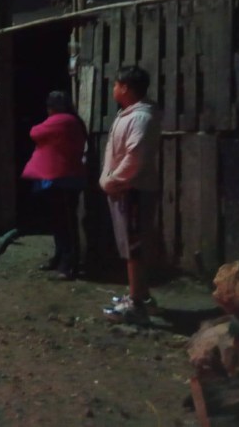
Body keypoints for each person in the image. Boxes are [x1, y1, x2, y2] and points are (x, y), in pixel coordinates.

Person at [99, 65, 162, 324]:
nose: (113, 89)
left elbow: (134, 157)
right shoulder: (128, 114)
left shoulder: (141, 118)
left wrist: (113, 181)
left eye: (115, 84)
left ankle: (136, 305)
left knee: (134, 246)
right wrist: (107, 179)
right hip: (123, 189)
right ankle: (141, 294)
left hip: (133, 190)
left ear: (125, 87)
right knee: (129, 244)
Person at [21, 90, 87, 280]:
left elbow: (35, 132)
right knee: (60, 222)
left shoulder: (63, 121)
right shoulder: (73, 121)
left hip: (64, 179)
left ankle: (69, 265)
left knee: (65, 223)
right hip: (64, 178)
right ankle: (60, 258)